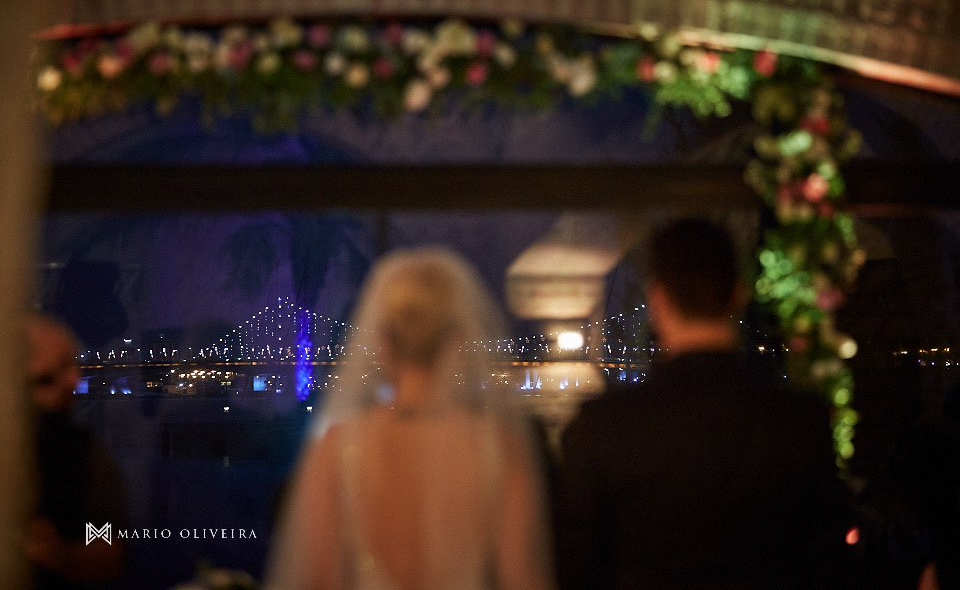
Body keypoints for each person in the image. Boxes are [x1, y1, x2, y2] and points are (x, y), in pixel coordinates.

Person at [556, 218, 852, 590]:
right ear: (738, 294)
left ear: (658, 300)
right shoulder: (799, 421)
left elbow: (577, 570)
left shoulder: (603, 427)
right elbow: (828, 565)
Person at [264, 249, 554, 590]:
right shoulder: (498, 450)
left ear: (382, 344)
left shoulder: (336, 448)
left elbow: (319, 580)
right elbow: (521, 579)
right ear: (459, 343)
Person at [24, 314, 128, 589]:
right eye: (45, 379)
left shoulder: (82, 452)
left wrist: (60, 555)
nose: (73, 382)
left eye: (72, 366)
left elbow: (108, 547)